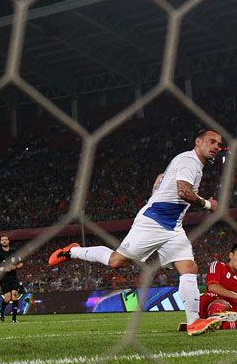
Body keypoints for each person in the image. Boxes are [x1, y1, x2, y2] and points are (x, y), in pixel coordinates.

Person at [49, 128, 224, 336]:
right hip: (154, 222)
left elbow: (162, 177)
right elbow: (183, 191)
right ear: (198, 141)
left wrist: (158, 189)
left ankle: (194, 321)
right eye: (211, 141)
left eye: (218, 144)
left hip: (173, 226)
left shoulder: (190, 163)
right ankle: (73, 251)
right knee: (117, 262)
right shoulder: (190, 161)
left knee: (189, 267)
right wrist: (207, 204)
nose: (215, 147)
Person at [199, 243, 237, 329]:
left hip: (233, 308)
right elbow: (212, 286)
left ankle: (214, 324)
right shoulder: (218, 266)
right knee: (220, 303)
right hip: (214, 302)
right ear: (231, 255)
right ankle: (214, 318)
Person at [0, 235, 24, 323]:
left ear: (8, 241)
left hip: (13, 276)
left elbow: (21, 264)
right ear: (0, 242)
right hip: (4, 277)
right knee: (7, 298)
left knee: (15, 294)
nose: (4, 241)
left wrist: (16, 266)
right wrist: (3, 269)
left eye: (6, 239)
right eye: (3, 240)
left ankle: (14, 318)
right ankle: (2, 311)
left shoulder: (14, 251)